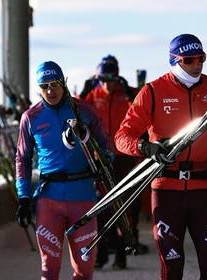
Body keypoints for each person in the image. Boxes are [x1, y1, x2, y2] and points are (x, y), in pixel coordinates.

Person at [114, 33, 207, 279]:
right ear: (174, 60)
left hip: (205, 187)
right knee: (172, 265)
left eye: (201, 58)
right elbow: (122, 136)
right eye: (189, 60)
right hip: (167, 189)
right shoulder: (153, 91)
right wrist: (146, 148)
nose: (197, 65)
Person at [15, 61, 111, 279]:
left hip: (84, 198)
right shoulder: (31, 117)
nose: (50, 90)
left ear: (64, 83)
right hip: (49, 200)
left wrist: (103, 162)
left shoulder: (84, 111)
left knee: (84, 271)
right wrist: (23, 197)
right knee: (49, 269)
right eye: (44, 86)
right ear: (38, 88)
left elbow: (106, 147)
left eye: (55, 84)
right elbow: (22, 159)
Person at [83, 58, 148, 269]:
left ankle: (122, 254)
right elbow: (77, 111)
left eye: (110, 79)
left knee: (124, 208)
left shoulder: (126, 94)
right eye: (102, 79)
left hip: (124, 157)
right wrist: (85, 91)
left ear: (117, 77)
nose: (106, 84)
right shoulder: (93, 95)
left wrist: (129, 91)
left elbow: (142, 106)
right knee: (101, 207)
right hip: (100, 157)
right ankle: (101, 255)